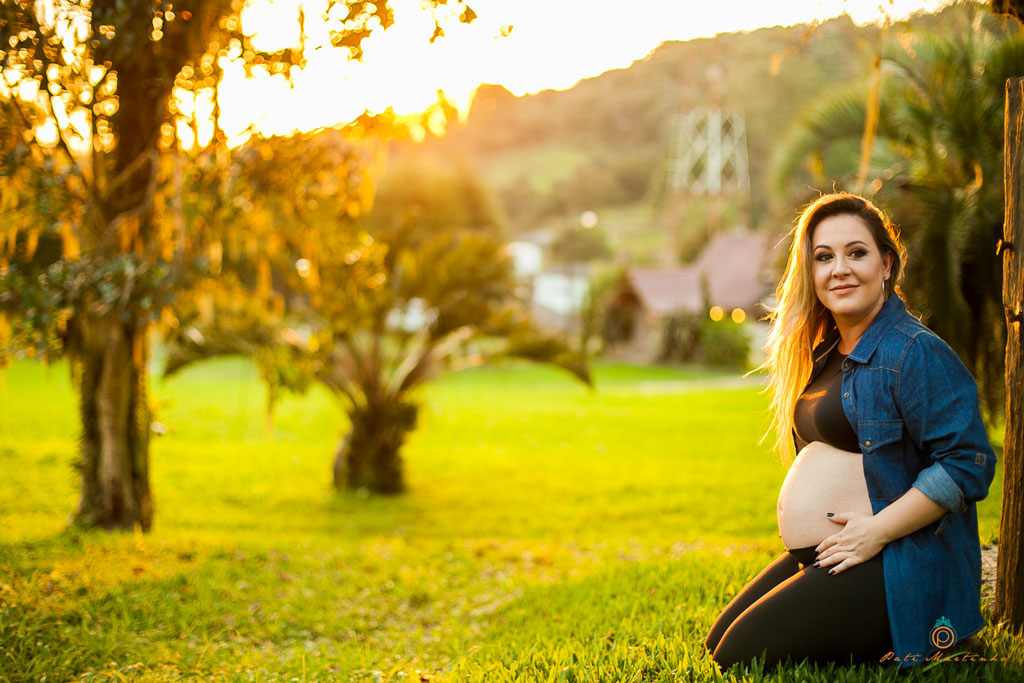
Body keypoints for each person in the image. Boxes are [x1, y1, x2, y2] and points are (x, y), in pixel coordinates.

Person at [703, 192, 997, 672]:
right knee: (718, 645)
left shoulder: (913, 351)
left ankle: (936, 639)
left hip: (898, 561)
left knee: (739, 658)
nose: (839, 268)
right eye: (824, 257)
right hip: (839, 552)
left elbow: (968, 463)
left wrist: (876, 532)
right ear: (810, 273)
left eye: (856, 253)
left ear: (886, 265)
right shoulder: (827, 352)